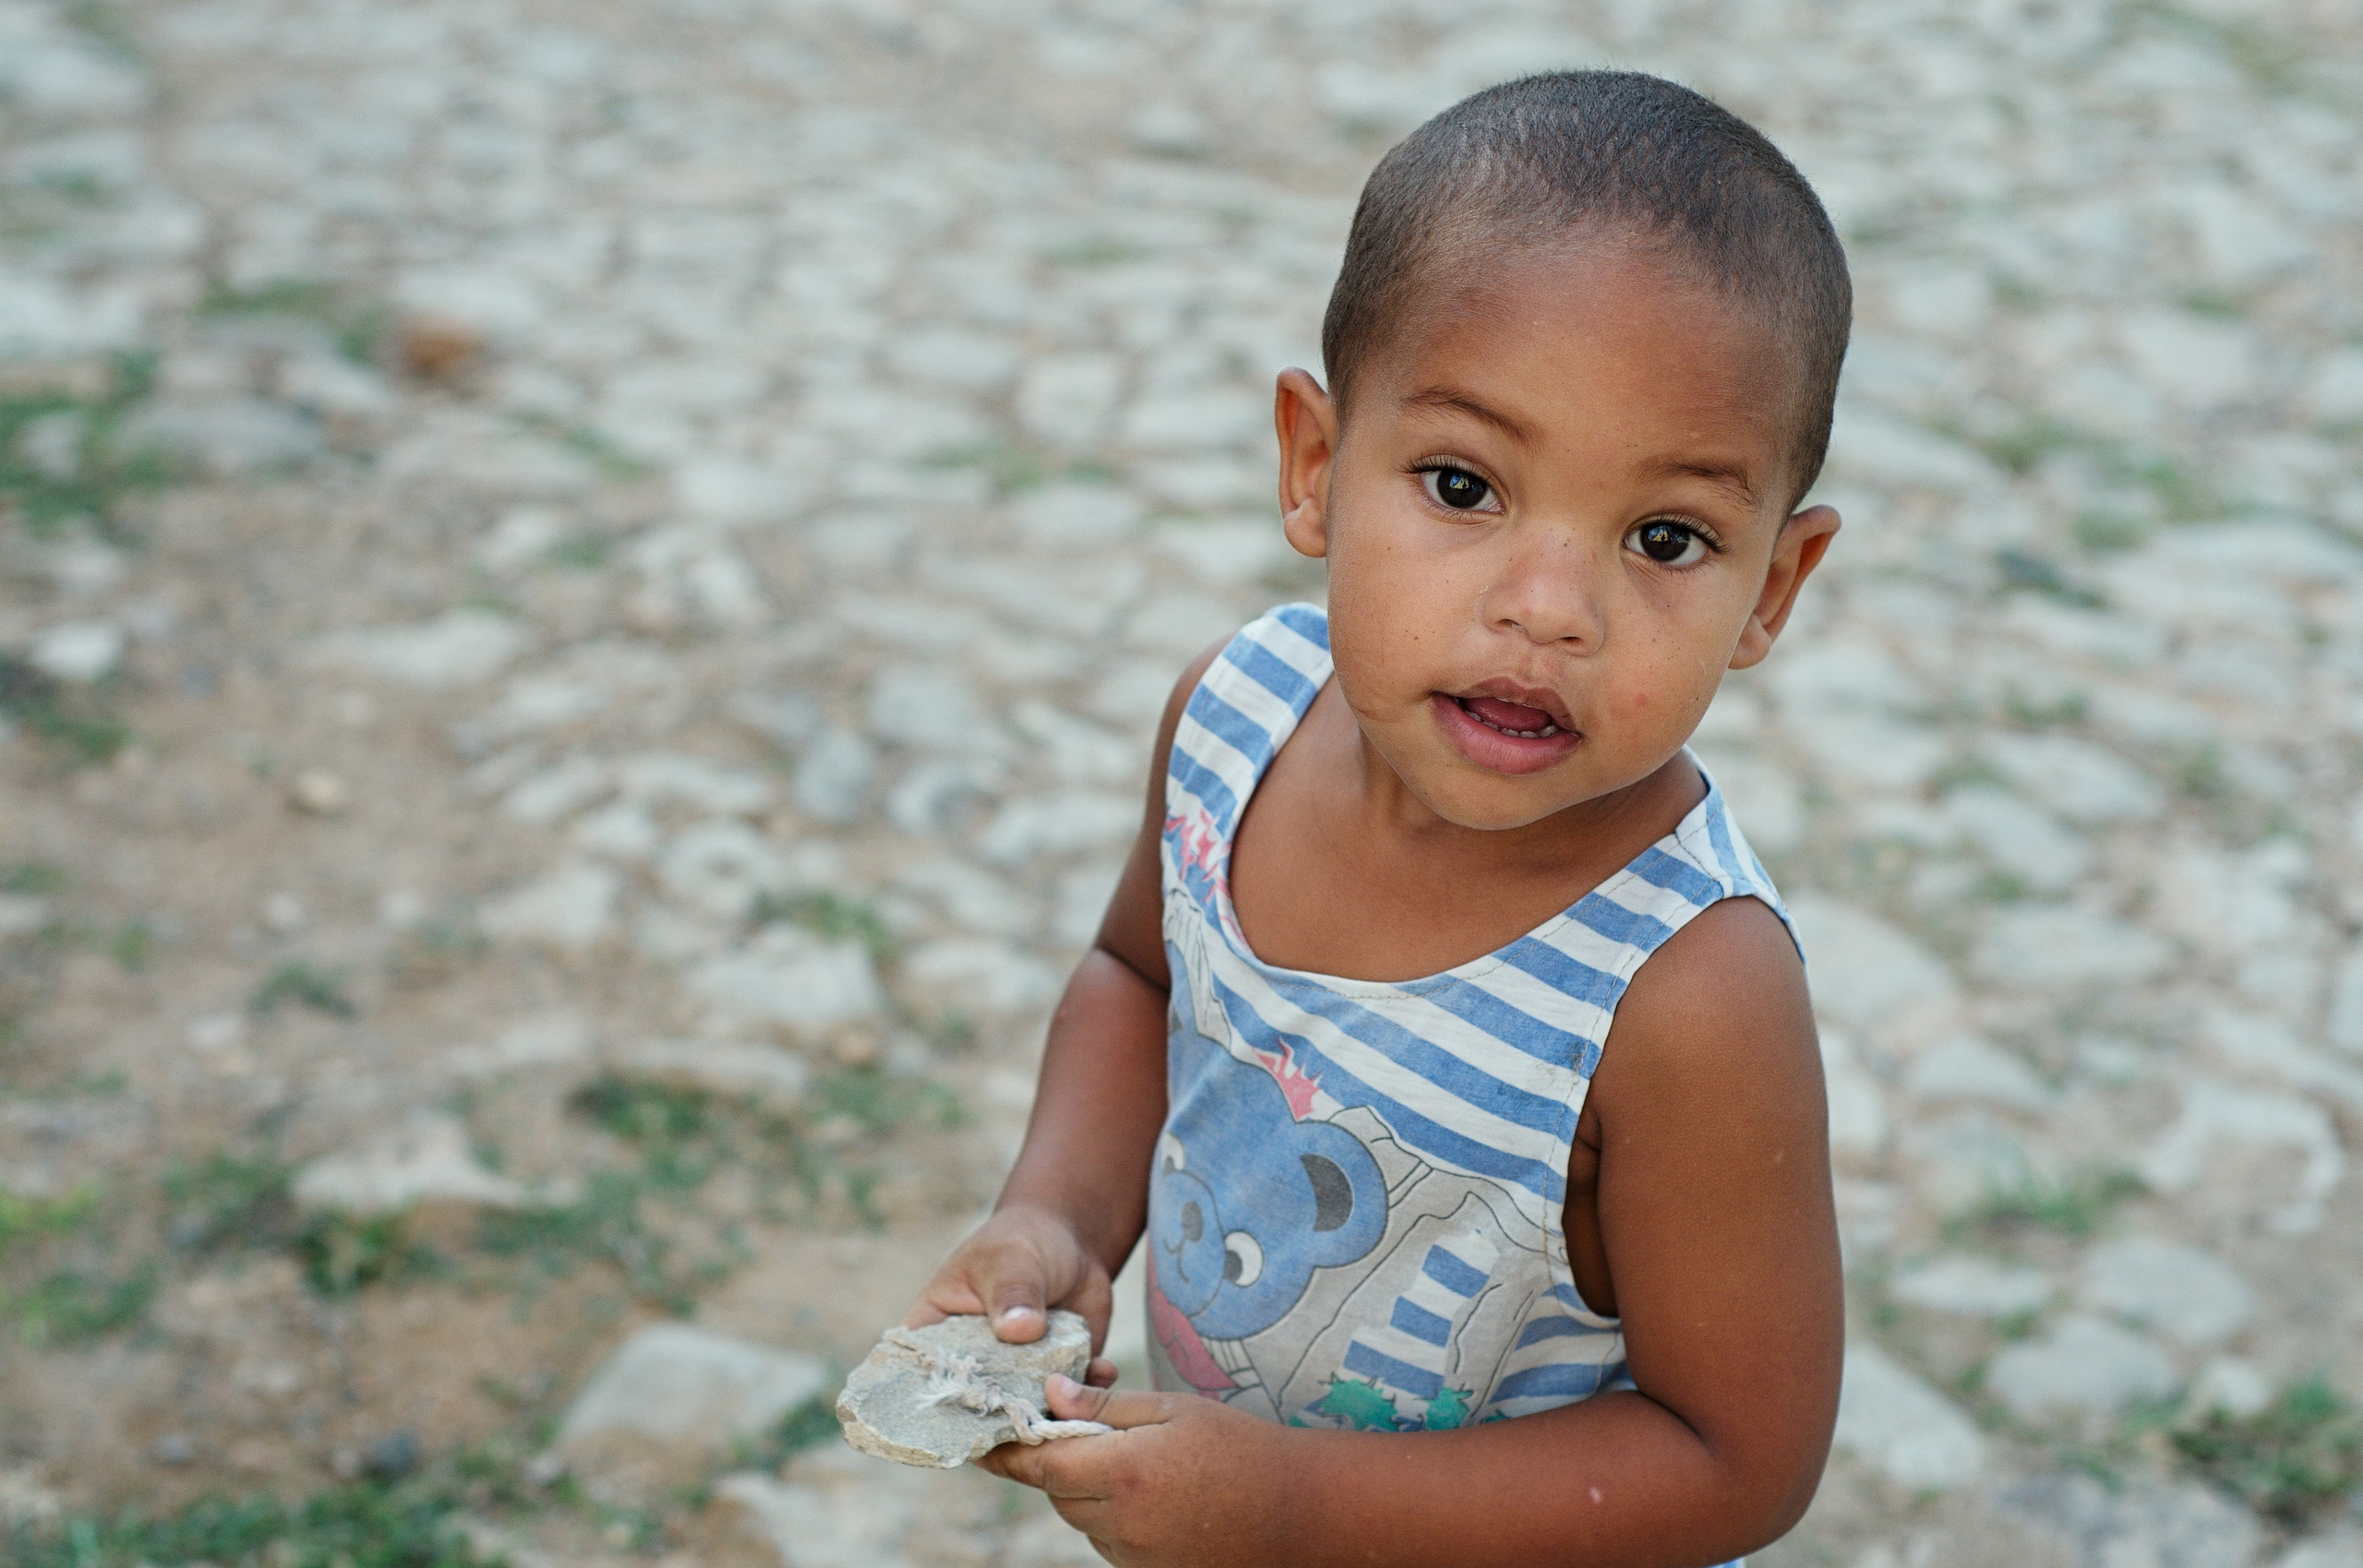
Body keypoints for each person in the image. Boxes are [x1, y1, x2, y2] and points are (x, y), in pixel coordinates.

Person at [908, 68, 1849, 1568]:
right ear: (1314, 466)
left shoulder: (1687, 994)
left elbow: (1738, 1457)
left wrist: (1293, 1511)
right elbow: (1141, 978)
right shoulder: (1232, 721)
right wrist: (1060, 1225)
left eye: (1665, 538)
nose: (1548, 609)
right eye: (1464, 483)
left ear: (1772, 591)